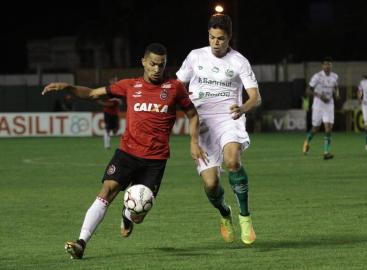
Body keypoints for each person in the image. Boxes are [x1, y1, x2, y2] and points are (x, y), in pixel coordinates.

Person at [42, 43, 206, 259]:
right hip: (127, 153)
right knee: (107, 191)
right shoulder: (130, 85)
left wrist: (194, 141)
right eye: (153, 64)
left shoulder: (175, 88)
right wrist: (68, 87)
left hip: (155, 160)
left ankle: (128, 214)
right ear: (144, 62)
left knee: (138, 214)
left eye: (162, 65)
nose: (157, 69)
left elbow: (193, 114)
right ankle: (81, 242)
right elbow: (92, 93)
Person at [176, 13, 261, 245]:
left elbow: (255, 97)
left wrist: (243, 108)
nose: (216, 42)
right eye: (212, 37)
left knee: (232, 160)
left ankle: (245, 216)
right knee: (211, 184)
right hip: (201, 124)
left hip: (228, 118)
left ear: (229, 38)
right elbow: (177, 86)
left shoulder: (239, 61)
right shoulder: (195, 56)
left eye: (221, 38)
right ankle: (225, 213)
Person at [302, 57, 339, 160]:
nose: (328, 66)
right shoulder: (317, 77)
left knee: (328, 127)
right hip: (318, 105)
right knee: (315, 128)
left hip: (329, 105)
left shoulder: (335, 76)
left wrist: (336, 94)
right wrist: (319, 96)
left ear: (331, 65)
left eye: (329, 64)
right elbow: (308, 90)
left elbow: (336, 87)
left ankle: (326, 152)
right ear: (322, 66)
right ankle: (307, 142)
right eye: (325, 64)